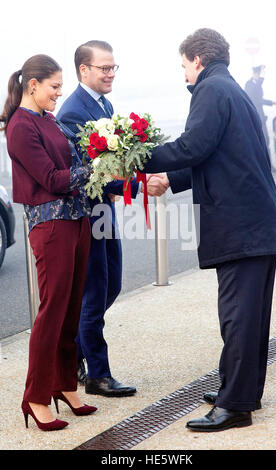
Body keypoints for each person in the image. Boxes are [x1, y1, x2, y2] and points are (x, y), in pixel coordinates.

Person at [142, 28, 276, 432]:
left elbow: (193, 146)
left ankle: (235, 406)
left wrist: (139, 156)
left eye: (184, 64)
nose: (184, 73)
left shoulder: (210, 90)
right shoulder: (230, 89)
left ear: (197, 59)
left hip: (242, 226)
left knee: (238, 316)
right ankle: (238, 391)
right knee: (249, 316)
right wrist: (170, 179)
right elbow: (214, 153)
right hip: (256, 224)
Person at [57, 40, 168, 398]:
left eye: (113, 67)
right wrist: (137, 186)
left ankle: (73, 349)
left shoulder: (104, 104)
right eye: (104, 68)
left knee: (112, 285)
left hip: (106, 210)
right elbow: (90, 172)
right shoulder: (73, 112)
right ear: (83, 70)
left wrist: (137, 176)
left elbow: (115, 162)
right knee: (94, 292)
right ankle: (97, 374)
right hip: (88, 214)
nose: (110, 74)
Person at [0, 54, 97, 431]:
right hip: (51, 224)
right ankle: (36, 397)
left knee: (72, 308)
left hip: (76, 220)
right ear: (33, 85)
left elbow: (69, 167)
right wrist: (95, 167)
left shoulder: (48, 119)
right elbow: (53, 179)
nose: (60, 93)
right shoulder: (21, 127)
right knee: (52, 312)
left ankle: (65, 385)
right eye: (55, 86)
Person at [245, 65, 276, 155]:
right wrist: (261, 79)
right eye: (260, 74)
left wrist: (273, 102)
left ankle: (269, 166)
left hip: (260, 115)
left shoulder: (257, 84)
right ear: (255, 73)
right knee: (260, 140)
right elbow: (255, 99)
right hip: (254, 115)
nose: (262, 77)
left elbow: (260, 99)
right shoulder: (249, 84)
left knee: (266, 140)